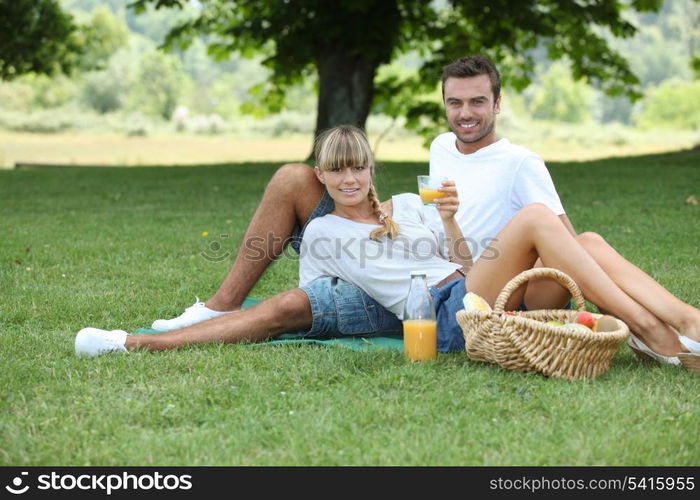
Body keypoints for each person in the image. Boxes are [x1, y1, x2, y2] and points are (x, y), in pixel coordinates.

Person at [149, 55, 694, 366]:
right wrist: (414, 217)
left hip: (515, 285)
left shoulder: (521, 161)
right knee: (571, 235)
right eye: (455, 102)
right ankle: (672, 328)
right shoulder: (438, 147)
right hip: (460, 282)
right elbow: (431, 228)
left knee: (576, 237)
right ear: (445, 104)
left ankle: (665, 325)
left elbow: (564, 243)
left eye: (478, 101)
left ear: (497, 104)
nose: (466, 113)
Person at [74, 126, 700, 373]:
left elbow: (458, 251)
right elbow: (400, 293)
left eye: (359, 169)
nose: (350, 180)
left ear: (372, 169)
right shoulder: (324, 233)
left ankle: (686, 325)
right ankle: (650, 328)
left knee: (583, 240)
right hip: (443, 313)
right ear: (322, 179)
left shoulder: (408, 201)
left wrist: (449, 221)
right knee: (536, 218)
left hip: (469, 286)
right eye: (337, 173)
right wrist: (440, 252)